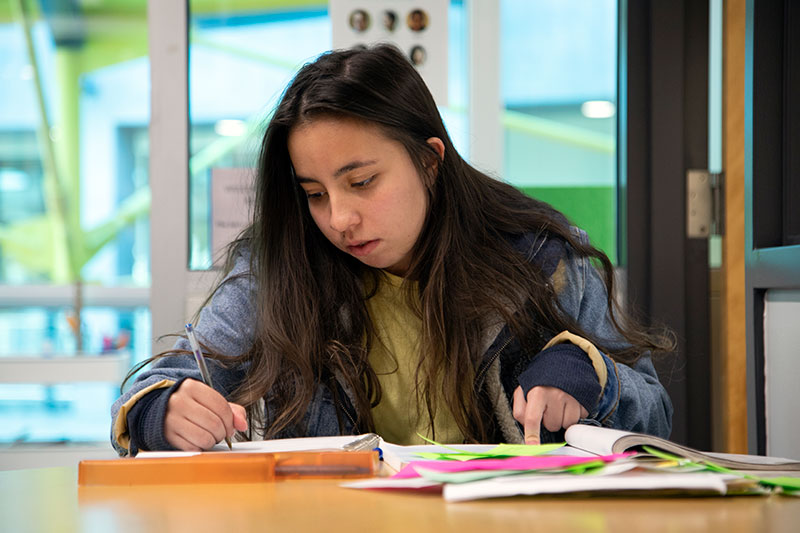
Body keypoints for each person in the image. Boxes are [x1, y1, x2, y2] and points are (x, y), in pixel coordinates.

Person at [110, 44, 673, 456]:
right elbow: (166, 378)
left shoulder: (541, 259)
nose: (339, 219)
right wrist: (162, 411)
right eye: (314, 194)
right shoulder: (281, 266)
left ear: (430, 161)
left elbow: (655, 414)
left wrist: (589, 373)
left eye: (361, 182)